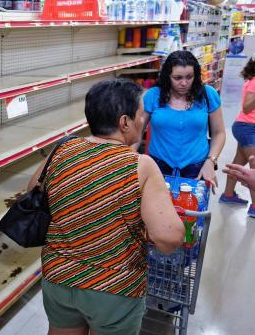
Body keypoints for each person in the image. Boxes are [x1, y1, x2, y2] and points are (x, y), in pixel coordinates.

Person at [28, 78, 185, 335]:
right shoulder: (140, 165)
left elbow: (33, 192)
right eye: (140, 115)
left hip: (58, 277)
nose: (143, 121)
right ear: (125, 122)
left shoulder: (64, 149)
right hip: (113, 286)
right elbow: (169, 236)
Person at [139, 50, 226, 191]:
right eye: (177, 78)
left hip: (198, 169)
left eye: (189, 77)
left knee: (193, 211)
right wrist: (128, 163)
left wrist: (210, 162)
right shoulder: (153, 96)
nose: (184, 83)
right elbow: (137, 132)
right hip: (158, 168)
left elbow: (219, 133)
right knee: (157, 211)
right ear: (168, 76)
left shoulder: (208, 95)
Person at [220, 48, 255, 222]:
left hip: (247, 127)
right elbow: (246, 107)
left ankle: (228, 195)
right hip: (247, 127)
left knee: (239, 164)